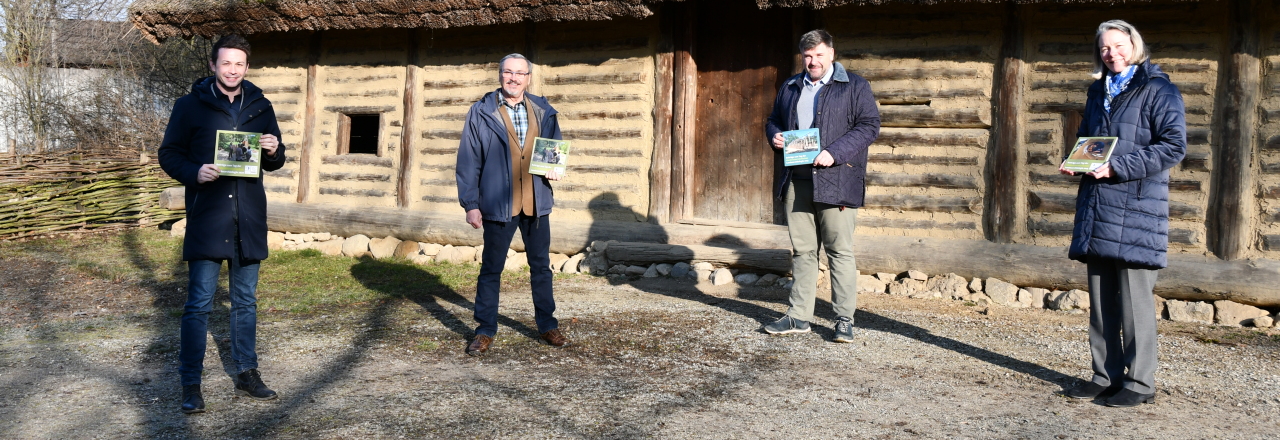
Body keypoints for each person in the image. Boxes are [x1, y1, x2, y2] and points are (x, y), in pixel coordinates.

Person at [1058, 19, 1185, 408]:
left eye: (1118, 45)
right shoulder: (1098, 90)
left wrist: (1118, 167)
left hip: (1137, 207)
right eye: (1104, 48)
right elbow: (1097, 141)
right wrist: (1078, 161)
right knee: (1101, 301)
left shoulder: (1157, 89)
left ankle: (1140, 382)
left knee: (1134, 302)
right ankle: (1104, 375)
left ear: (1134, 44)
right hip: (1099, 205)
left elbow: (1173, 146)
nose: (1111, 53)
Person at [158, 34, 286, 414]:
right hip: (208, 218)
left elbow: (275, 160)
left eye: (239, 64)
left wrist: (275, 150)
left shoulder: (261, 106)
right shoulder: (189, 106)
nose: (232, 70)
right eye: (226, 63)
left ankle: (247, 372)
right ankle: (191, 383)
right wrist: (194, 172)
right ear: (213, 65)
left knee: (245, 301)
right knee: (198, 305)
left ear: (247, 67)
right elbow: (169, 154)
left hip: (247, 218)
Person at [762, 30, 880, 342]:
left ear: (831, 54)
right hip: (797, 181)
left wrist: (834, 152)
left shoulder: (854, 86)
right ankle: (798, 317)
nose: (813, 61)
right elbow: (773, 119)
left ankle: (844, 319)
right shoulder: (791, 86)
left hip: (836, 180)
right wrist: (774, 136)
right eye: (808, 56)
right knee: (802, 251)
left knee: (839, 250)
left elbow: (869, 126)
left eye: (819, 55)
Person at [456, 53, 568, 356]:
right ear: (500, 75)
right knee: (491, 269)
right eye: (508, 72)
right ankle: (484, 330)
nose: (514, 78)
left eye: (520, 73)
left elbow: (552, 149)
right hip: (497, 204)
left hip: (536, 203)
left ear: (528, 77)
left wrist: (554, 168)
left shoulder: (543, 110)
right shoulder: (481, 112)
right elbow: (468, 161)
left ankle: (547, 325)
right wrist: (471, 204)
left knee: (541, 268)